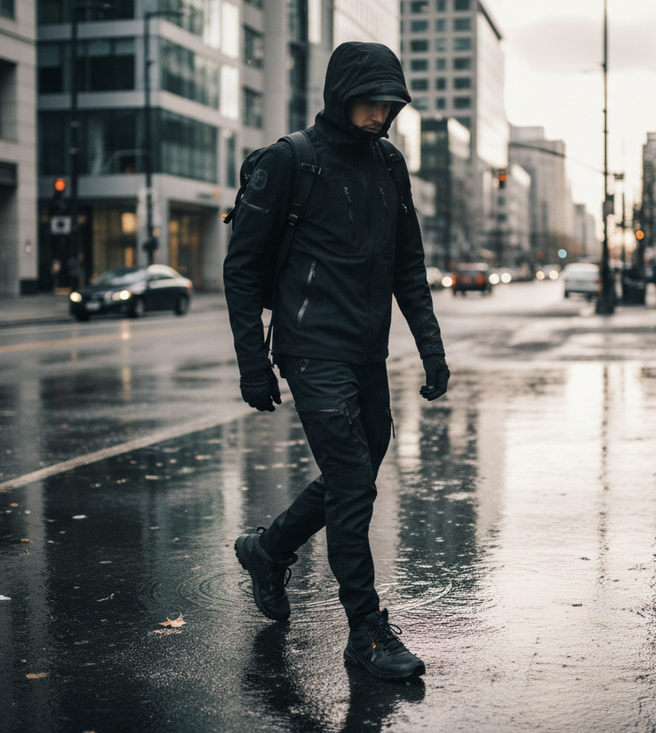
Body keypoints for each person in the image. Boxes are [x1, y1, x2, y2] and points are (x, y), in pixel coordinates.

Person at [223, 41, 448, 681]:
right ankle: (366, 633)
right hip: (308, 348)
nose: (381, 115)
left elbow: (409, 265)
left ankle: (268, 550)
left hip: (365, 353)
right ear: (341, 94)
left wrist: (431, 350)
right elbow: (241, 271)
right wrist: (252, 364)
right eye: (371, 102)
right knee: (353, 483)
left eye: (391, 105)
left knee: (358, 470)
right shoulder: (290, 161)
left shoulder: (389, 165)